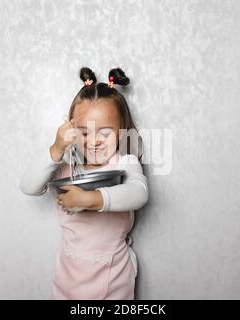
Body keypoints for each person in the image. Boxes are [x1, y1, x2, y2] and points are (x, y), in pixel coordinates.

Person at [20, 67, 149, 299]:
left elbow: (139, 193)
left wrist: (91, 199)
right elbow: (28, 187)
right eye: (84, 133)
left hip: (111, 275)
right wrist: (56, 149)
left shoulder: (124, 163)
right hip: (68, 275)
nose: (94, 142)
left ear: (121, 133)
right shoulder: (67, 164)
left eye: (105, 133)